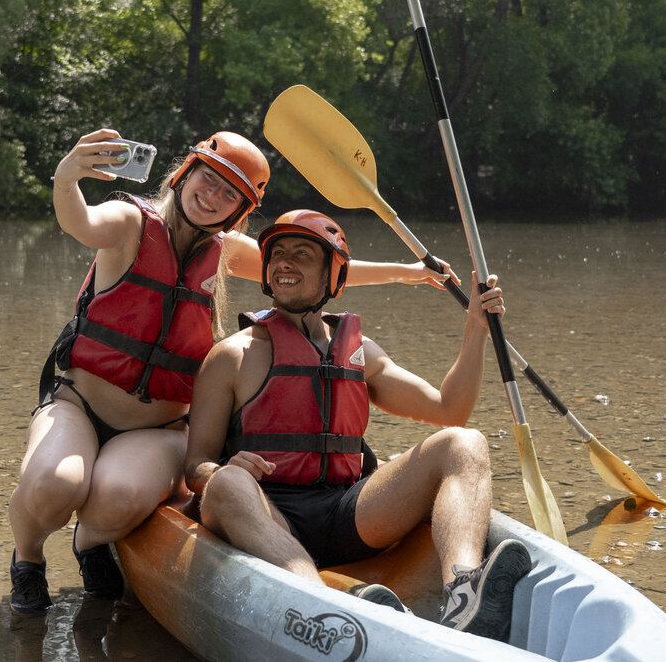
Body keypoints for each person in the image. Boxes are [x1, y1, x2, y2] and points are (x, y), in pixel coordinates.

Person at [9, 130, 453, 615]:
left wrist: (409, 272)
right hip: (81, 403)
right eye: (208, 179)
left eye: (230, 194)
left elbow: (329, 267)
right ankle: (28, 559)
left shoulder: (222, 251)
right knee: (57, 483)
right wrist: (67, 175)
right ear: (184, 174)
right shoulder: (129, 221)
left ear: (239, 211)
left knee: (116, 495)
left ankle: (90, 543)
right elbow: (81, 221)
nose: (213, 196)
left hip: (158, 428)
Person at [183, 209, 533, 641]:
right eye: (277, 254)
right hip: (267, 515)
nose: (284, 263)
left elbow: (449, 410)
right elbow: (196, 465)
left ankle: (464, 591)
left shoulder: (360, 351)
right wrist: (223, 469)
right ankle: (324, 607)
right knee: (226, 483)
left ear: (334, 277)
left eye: (303, 254)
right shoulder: (231, 356)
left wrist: (476, 329)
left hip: (347, 511)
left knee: (463, 442)